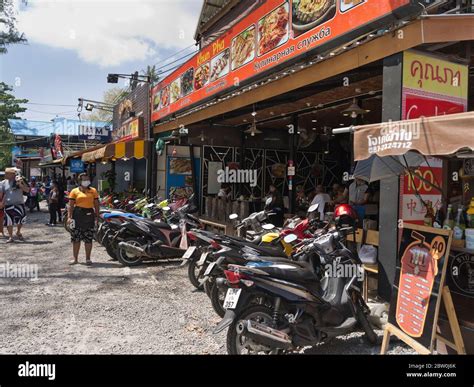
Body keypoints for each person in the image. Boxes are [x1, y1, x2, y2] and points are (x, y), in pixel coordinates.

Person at [67, 173, 99, 265]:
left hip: (89, 215)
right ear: (79, 181)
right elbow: (71, 205)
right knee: (75, 238)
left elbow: (96, 204)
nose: (86, 181)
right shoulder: (74, 191)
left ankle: (88, 258)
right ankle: (75, 259)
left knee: (88, 238)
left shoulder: (93, 191)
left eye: (87, 179)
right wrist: (69, 217)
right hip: (77, 215)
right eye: (84, 179)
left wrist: (97, 216)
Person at [0, 167, 30, 243]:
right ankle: (10, 237)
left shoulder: (20, 180)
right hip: (8, 204)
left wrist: (20, 185)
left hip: (19, 204)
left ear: (12, 174)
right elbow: (2, 194)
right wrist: (2, 203)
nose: (5, 175)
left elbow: (27, 190)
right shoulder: (3, 183)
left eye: (7, 173)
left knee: (20, 221)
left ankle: (18, 231)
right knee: (9, 221)